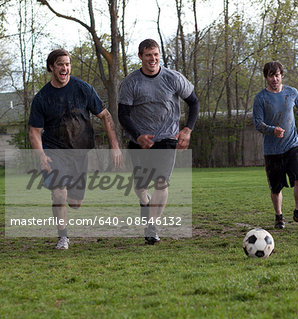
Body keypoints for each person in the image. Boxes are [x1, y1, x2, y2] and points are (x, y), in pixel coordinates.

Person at [29, 48, 123, 249]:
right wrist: (41, 156)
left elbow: (105, 116)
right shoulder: (42, 98)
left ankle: (66, 220)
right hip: (54, 152)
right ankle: (63, 237)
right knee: (58, 192)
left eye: (67, 64)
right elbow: (34, 131)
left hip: (79, 152)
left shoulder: (83, 89)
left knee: (75, 203)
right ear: (51, 68)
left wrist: (114, 145)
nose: (65, 68)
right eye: (60, 64)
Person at [118, 38, 199, 245]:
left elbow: (193, 101)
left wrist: (187, 129)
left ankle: (151, 227)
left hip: (166, 139)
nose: (152, 59)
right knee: (140, 187)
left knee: (161, 183)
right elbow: (123, 115)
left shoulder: (173, 78)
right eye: (148, 55)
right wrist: (137, 135)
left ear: (159, 54)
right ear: (140, 57)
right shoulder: (131, 82)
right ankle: (145, 203)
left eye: (155, 54)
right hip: (140, 142)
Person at [253, 61, 298, 230]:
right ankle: (279, 217)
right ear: (266, 77)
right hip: (272, 150)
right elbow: (257, 123)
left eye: (277, 75)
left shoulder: (292, 93)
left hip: (292, 145)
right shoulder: (261, 98)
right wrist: (272, 130)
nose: (274, 79)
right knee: (276, 187)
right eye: (271, 75)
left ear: (282, 75)